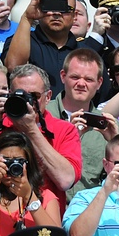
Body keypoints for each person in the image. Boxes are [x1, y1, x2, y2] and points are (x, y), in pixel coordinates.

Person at [0, 64, 83, 209]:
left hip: (44, 217)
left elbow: (65, 180)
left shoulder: (65, 130)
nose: (27, 102)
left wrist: (31, 131)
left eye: (34, 96)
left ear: (48, 97)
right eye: (20, 95)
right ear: (9, 94)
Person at [46, 48, 113, 200]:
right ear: (63, 76)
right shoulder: (42, 116)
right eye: (75, 77)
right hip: (47, 207)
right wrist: (68, 137)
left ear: (99, 83)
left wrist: (114, 141)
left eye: (88, 79)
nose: (81, 84)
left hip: (89, 209)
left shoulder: (106, 126)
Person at [1, 0, 81, 95]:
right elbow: (14, 68)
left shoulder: (84, 51)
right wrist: (27, 18)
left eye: (64, 8)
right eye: (50, 6)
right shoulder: (23, 42)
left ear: (74, 15)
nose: (57, 13)